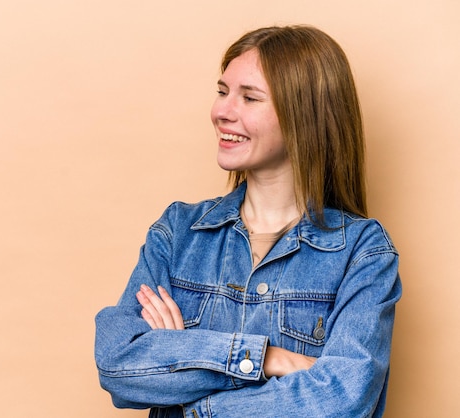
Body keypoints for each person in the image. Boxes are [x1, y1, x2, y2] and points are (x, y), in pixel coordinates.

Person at [94, 25, 401, 418]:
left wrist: (187, 382)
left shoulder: (363, 252)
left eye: (249, 97)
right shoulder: (178, 233)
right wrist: (269, 358)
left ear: (303, 117)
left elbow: (343, 400)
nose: (221, 111)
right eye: (222, 92)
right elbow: (118, 363)